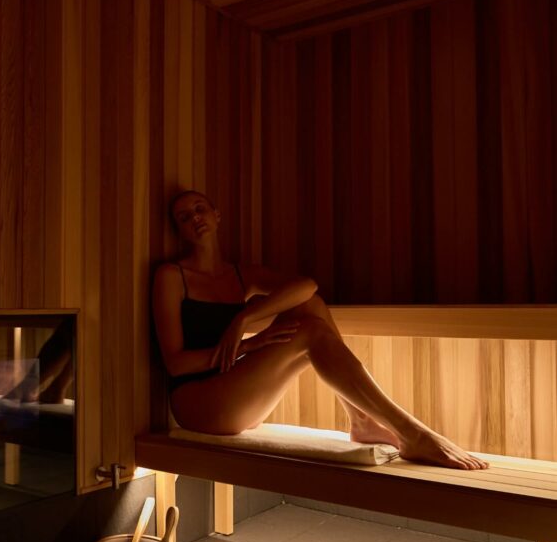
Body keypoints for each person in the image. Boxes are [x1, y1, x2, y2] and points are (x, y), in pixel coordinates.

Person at [152, 190, 487, 471]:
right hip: (199, 404)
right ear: (178, 231)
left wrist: (243, 320)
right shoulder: (171, 276)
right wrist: (246, 347)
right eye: (183, 216)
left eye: (199, 208)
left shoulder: (241, 275)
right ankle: (411, 433)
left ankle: (361, 421)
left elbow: (306, 287)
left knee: (311, 307)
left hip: (236, 394)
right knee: (311, 330)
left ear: (216, 215)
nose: (194, 217)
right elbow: (175, 364)